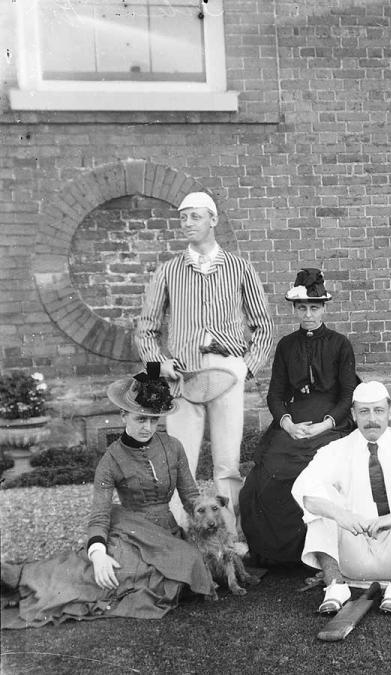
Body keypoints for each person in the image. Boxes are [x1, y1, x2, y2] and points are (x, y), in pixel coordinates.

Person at [0, 365, 215, 629]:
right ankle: (19, 578)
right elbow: (100, 514)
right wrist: (98, 552)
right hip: (130, 531)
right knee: (104, 572)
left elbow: (191, 496)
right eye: (140, 419)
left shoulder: (173, 447)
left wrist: (211, 524)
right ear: (123, 415)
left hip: (166, 534)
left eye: (153, 420)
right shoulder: (111, 459)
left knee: (183, 564)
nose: (147, 427)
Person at [136, 191, 273, 531]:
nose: (187, 224)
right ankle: (181, 539)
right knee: (182, 462)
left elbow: (264, 325)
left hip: (228, 372)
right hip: (184, 376)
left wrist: (247, 367)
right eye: (183, 218)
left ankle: (231, 538)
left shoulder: (240, 267)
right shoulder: (168, 271)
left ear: (213, 219)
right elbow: (145, 330)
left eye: (195, 216)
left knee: (227, 464)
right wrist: (160, 366)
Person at [292, 381, 391, 615]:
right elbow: (305, 490)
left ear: (390, 412)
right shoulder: (335, 449)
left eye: (378, 410)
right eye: (364, 411)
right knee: (318, 501)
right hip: (352, 551)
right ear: (353, 414)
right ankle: (335, 586)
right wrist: (342, 516)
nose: (371, 418)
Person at [240, 269, 358, 565]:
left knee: (317, 471)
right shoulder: (286, 345)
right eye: (302, 308)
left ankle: (325, 551)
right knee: (268, 473)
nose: (308, 314)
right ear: (294, 309)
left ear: (324, 308)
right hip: (295, 422)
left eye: (314, 308)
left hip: (331, 421)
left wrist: (324, 425)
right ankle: (280, 556)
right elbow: (275, 395)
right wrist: (287, 424)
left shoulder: (340, 344)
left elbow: (347, 395)